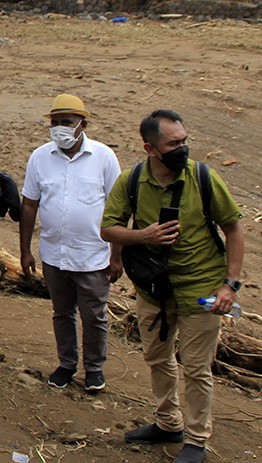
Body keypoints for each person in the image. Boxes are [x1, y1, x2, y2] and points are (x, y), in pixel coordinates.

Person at [100, 110, 245, 463]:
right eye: (174, 144)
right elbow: (108, 229)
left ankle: (196, 439)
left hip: (202, 289)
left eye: (184, 141)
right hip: (154, 290)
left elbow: (235, 228)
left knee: (196, 368)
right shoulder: (131, 180)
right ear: (150, 148)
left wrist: (230, 285)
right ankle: (168, 423)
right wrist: (144, 235)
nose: (183, 149)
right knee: (157, 358)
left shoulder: (203, 178)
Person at [19, 94, 122, 392]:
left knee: (94, 316)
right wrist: (25, 250)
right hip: (53, 254)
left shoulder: (104, 157)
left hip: (92, 255)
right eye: (55, 122)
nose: (59, 128)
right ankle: (66, 364)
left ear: (82, 124)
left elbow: (118, 210)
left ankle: (94, 368)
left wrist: (117, 257)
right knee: (61, 312)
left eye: (66, 122)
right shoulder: (40, 157)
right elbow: (29, 205)